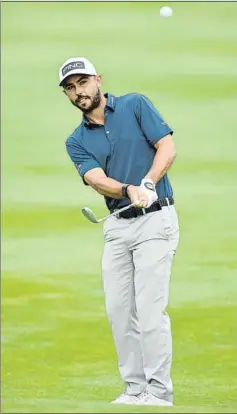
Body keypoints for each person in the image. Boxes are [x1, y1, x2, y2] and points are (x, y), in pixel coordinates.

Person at [59, 56, 180, 406]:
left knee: (149, 307)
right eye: (70, 88)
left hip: (156, 219)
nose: (78, 92)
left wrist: (148, 182)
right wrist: (128, 191)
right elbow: (96, 179)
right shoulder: (76, 140)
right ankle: (134, 388)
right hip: (116, 226)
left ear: (98, 79)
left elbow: (166, 146)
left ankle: (159, 391)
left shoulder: (134, 105)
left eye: (82, 82)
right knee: (118, 309)